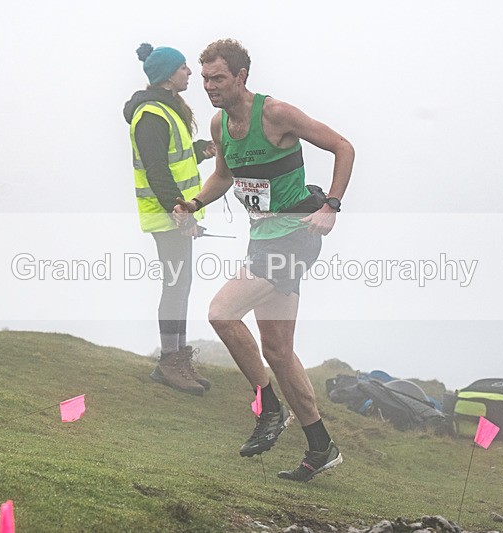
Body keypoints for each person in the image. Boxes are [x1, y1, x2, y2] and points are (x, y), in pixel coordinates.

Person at [174, 39, 355, 481]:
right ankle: (320, 447)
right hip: (261, 241)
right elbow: (223, 175)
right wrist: (195, 202)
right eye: (204, 79)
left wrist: (330, 206)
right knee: (277, 349)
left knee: (221, 312)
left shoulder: (275, 114)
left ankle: (269, 407)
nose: (209, 87)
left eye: (218, 78)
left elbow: (343, 147)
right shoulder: (220, 126)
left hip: (295, 236)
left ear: (241, 76)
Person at [123, 42, 215, 397]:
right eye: (184, 68)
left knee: (182, 284)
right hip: (167, 217)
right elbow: (158, 172)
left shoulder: (165, 109)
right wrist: (181, 215)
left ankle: (177, 357)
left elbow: (172, 160)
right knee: (176, 286)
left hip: (174, 214)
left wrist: (199, 152)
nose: (190, 72)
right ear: (166, 75)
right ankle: (169, 361)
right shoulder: (151, 115)